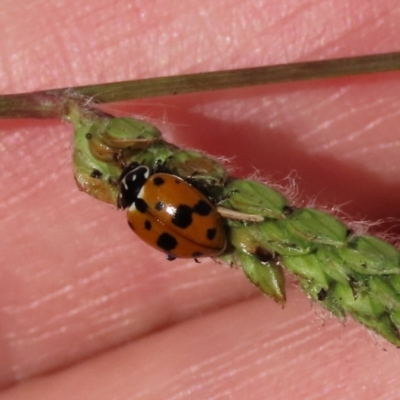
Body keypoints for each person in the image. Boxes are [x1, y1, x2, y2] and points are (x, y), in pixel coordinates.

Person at [1, 1, 400, 398]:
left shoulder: (143, 207)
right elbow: (186, 193)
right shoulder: (151, 195)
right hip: (207, 233)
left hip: (206, 236)